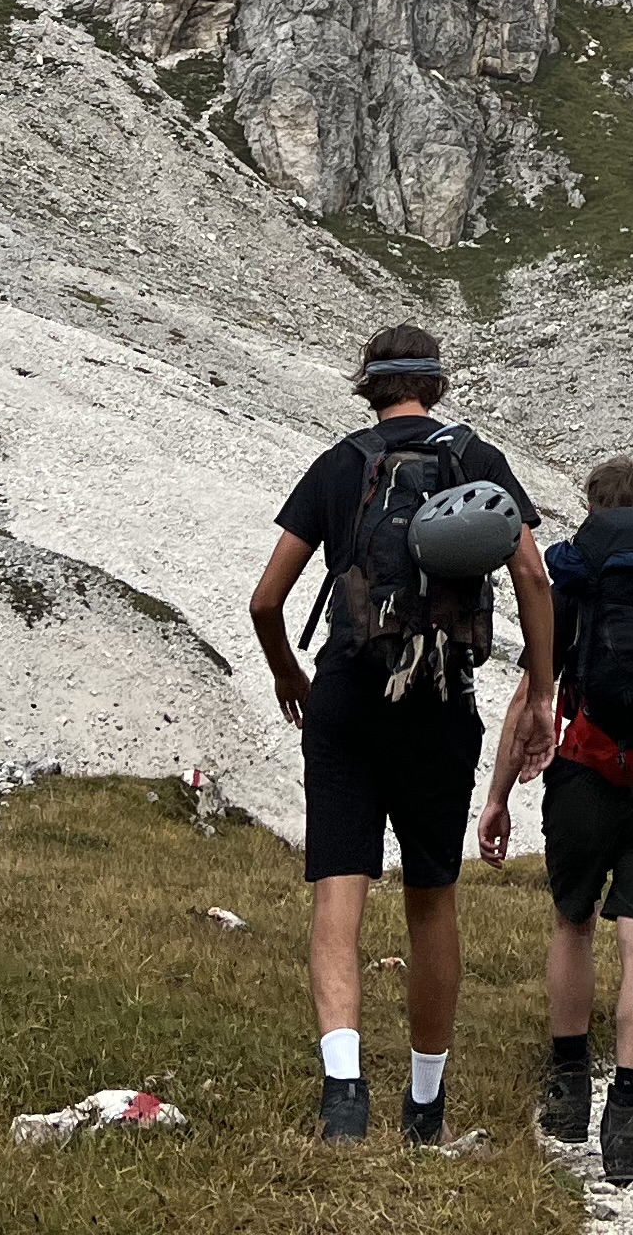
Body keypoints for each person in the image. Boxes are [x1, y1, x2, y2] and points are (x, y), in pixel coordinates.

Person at [249, 322, 554, 1146]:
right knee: (431, 899)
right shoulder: (478, 460)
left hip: (347, 695)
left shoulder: (339, 464)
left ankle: (344, 1092)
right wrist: (542, 696)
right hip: (439, 701)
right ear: (437, 383)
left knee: (339, 893)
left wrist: (289, 674)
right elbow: (531, 575)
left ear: (367, 386)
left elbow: (266, 600)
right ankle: (425, 1102)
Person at [482, 453, 633, 1187]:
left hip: (584, 776)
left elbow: (532, 699)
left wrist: (497, 799)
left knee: (574, 921)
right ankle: (627, 1120)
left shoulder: (577, 580)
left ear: (590, 508)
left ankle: (567, 1090)